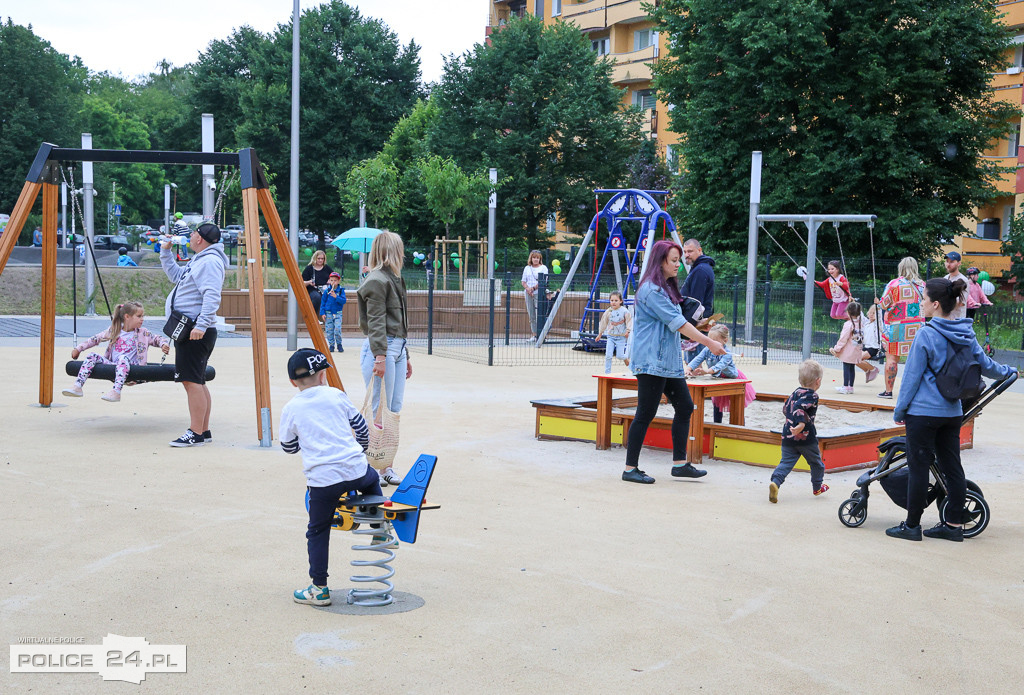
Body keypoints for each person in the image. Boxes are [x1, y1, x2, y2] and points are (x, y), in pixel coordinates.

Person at [885, 278, 1016, 542]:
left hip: (922, 414)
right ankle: (954, 525)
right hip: (952, 413)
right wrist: (1008, 372)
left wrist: (900, 411)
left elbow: (911, 378)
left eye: (923, 299)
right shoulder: (967, 334)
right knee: (952, 467)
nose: (921, 303)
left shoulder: (926, 334)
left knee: (919, 467)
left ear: (935, 304)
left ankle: (912, 526)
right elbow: (987, 365)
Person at [622, 240, 726, 484]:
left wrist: (699, 326)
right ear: (660, 261)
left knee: (685, 406)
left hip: (667, 361)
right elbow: (677, 323)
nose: (678, 264)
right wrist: (709, 342)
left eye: (679, 259)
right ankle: (630, 468)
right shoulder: (651, 290)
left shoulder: (666, 289)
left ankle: (679, 464)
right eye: (674, 260)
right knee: (645, 413)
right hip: (651, 361)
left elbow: (678, 324)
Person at [279, 348, 378, 606]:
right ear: (323, 375)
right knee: (373, 478)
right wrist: (362, 450)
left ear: (293, 382)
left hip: (323, 482)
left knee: (318, 531)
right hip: (355, 470)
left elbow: (288, 447)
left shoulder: (291, 408)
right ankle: (378, 526)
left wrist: (307, 443)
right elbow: (360, 426)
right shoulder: (336, 395)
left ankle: (319, 588)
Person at [160, 221, 228, 447]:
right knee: (197, 380)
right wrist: (166, 252)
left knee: (191, 381)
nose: (189, 236)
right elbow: (176, 277)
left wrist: (201, 324)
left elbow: (211, 295)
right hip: (191, 328)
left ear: (200, 238)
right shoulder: (200, 260)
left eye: (193, 233)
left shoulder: (209, 262)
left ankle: (195, 432)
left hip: (196, 330)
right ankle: (203, 430)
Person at [357, 231, 410, 487]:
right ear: (390, 251)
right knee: (378, 409)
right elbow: (376, 321)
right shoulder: (377, 280)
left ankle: (384, 463)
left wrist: (405, 354)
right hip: (383, 348)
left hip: (396, 348)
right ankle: (372, 467)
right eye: (399, 249)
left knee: (393, 409)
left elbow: (397, 321)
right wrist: (380, 355)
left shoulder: (394, 278)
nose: (403, 254)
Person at [62, 301, 169, 402]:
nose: (142, 319)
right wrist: (79, 348)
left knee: (123, 358)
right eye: (139, 316)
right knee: (92, 356)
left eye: (142, 316)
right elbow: (96, 338)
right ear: (127, 317)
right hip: (114, 366)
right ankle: (78, 386)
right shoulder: (115, 330)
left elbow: (157, 338)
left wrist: (164, 344)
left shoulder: (143, 333)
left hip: (134, 369)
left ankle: (116, 391)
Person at [768, 360, 829, 503]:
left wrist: (792, 422)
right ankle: (817, 487)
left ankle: (775, 482)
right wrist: (801, 423)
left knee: (786, 462)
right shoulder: (812, 395)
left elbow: (786, 409)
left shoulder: (795, 392)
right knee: (816, 463)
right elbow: (798, 408)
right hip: (806, 438)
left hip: (788, 435)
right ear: (818, 381)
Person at [875, 257, 926, 399]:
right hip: (917, 326)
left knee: (891, 359)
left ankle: (888, 391)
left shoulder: (894, 284)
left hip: (897, 326)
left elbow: (883, 305)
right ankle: (914, 393)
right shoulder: (922, 285)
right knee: (916, 360)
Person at [686, 324, 755, 424]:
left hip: (732, 378)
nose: (711, 343)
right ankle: (717, 424)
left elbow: (719, 366)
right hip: (717, 378)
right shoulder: (707, 349)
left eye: (715, 341)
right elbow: (698, 358)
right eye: (709, 340)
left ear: (725, 340)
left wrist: (706, 371)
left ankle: (739, 425)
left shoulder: (726, 354)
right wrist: (689, 368)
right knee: (717, 404)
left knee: (736, 405)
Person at [828, 302, 879, 393]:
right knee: (852, 367)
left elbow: (843, 338)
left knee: (846, 367)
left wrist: (837, 348)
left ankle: (845, 386)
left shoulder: (849, 324)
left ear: (848, 312)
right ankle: (851, 387)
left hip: (849, 350)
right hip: (857, 349)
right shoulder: (861, 324)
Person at [679, 238, 715, 364]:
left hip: (696, 323)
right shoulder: (701, 268)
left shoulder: (700, 271)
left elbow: (695, 303)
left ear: (699, 250)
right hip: (698, 322)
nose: (687, 254)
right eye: (685, 251)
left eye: (690, 251)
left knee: (693, 365)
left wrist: (691, 329)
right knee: (693, 363)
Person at [596, 291, 631, 373]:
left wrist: (628, 331)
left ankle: (625, 358)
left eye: (616, 300)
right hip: (611, 336)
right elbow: (603, 322)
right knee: (608, 355)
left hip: (621, 337)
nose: (613, 302)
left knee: (620, 356)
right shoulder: (608, 312)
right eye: (612, 300)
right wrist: (600, 334)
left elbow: (629, 321)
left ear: (621, 301)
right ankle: (607, 373)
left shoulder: (625, 311)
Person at [521, 250, 549, 340]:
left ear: (540, 258)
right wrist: (528, 289)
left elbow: (543, 281)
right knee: (531, 314)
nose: (536, 259)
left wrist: (533, 288)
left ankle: (542, 334)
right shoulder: (527, 268)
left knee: (539, 314)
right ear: (531, 258)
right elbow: (523, 281)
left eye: (537, 257)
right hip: (528, 293)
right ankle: (534, 334)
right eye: (534, 257)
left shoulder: (543, 268)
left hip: (539, 293)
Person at [319, 272, 346, 352]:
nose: (333, 282)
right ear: (329, 281)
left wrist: (336, 297)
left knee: (337, 329)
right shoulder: (327, 291)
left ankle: (339, 344)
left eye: (335, 280)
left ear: (338, 281)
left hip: (337, 313)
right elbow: (323, 302)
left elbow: (343, 301)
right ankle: (331, 345)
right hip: (328, 313)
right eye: (331, 280)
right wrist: (322, 313)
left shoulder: (341, 291)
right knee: (329, 330)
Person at [942, 251, 969, 320]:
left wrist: (942, 301)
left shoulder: (963, 280)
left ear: (959, 263)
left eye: (952, 262)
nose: (948, 264)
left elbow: (961, 302)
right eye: (947, 261)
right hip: (945, 318)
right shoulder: (945, 278)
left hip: (957, 320)